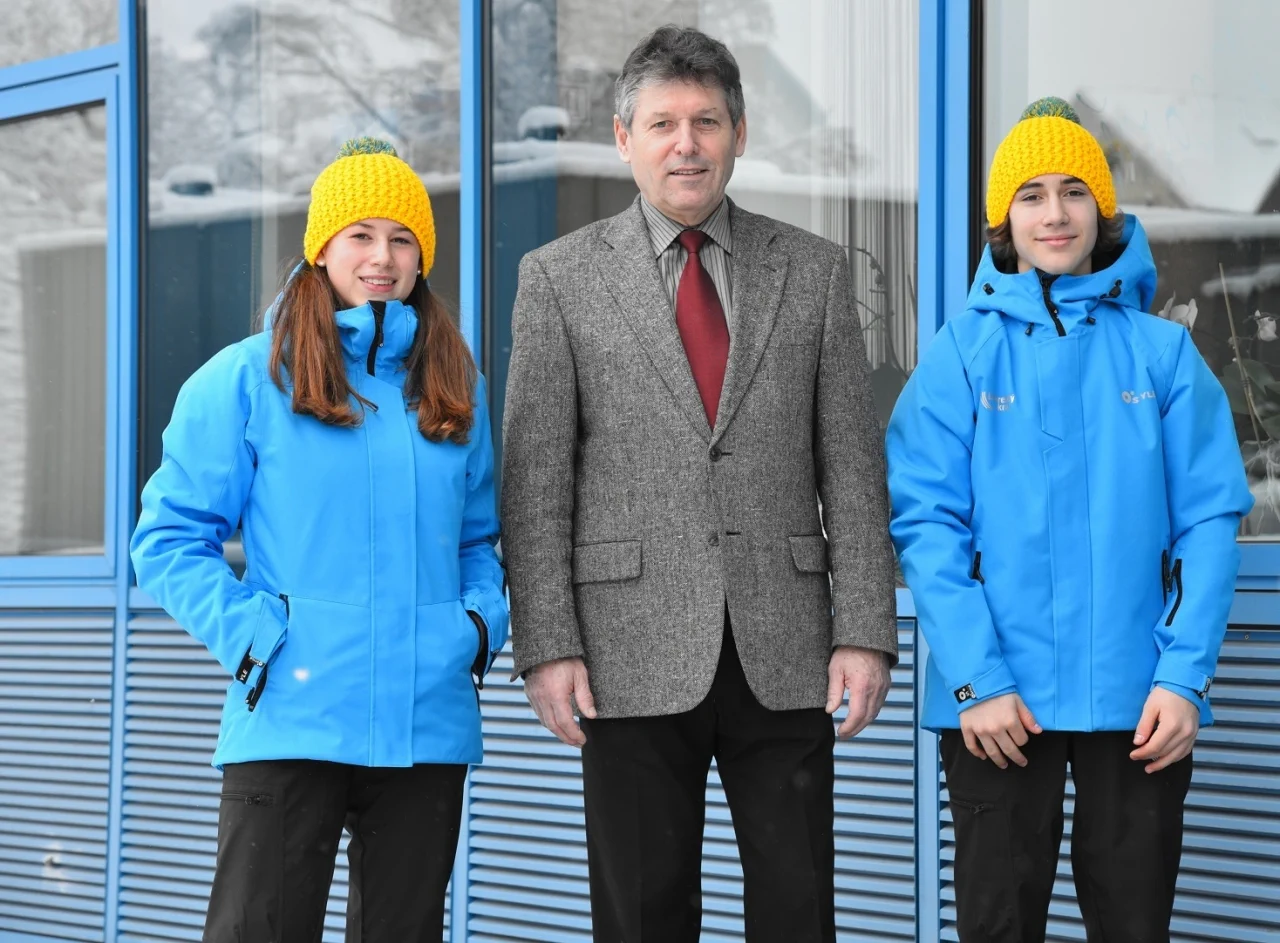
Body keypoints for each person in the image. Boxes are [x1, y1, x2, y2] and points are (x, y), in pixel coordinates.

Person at [500, 25, 898, 943]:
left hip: (787, 647)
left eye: (707, 121)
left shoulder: (814, 270)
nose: (687, 144)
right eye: (663, 123)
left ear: (739, 134)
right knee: (642, 915)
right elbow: (535, 484)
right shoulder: (557, 279)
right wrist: (546, 644)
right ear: (623, 138)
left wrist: (864, 629)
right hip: (624, 653)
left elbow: (851, 465)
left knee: (799, 910)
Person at [887, 98, 1253, 942]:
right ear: (1003, 222)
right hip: (998, 712)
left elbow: (1209, 521)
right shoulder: (960, 355)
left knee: (1133, 925)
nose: (1054, 213)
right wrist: (976, 679)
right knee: (997, 926)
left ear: (1103, 211)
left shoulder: (1162, 354)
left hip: (1140, 706)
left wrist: (1183, 678)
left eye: (1074, 191)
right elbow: (927, 526)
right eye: (1031, 195)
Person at [130, 137, 508, 943]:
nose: (382, 257)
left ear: (422, 256)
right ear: (321, 249)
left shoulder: (455, 387)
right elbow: (167, 538)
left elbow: (479, 540)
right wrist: (258, 636)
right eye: (360, 235)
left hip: (424, 723)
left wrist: (474, 628)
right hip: (291, 717)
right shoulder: (246, 378)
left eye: (401, 238)